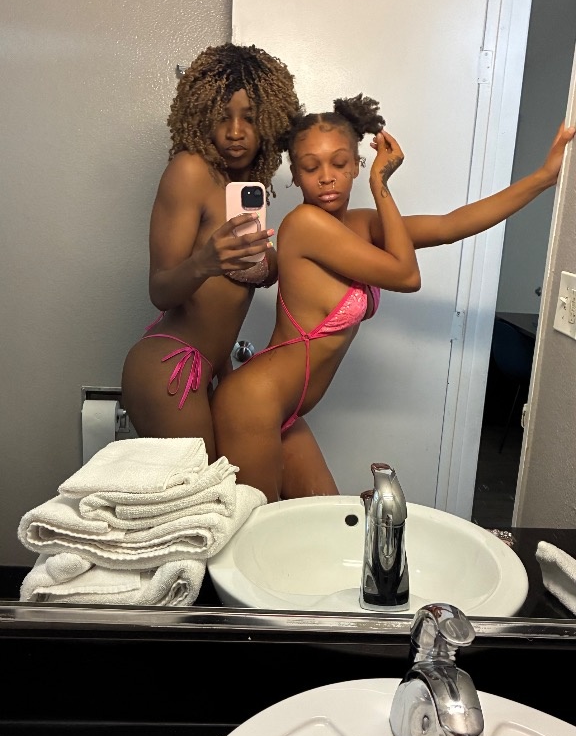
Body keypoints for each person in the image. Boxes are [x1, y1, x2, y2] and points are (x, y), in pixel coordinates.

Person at [211, 95, 575, 502]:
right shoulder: (304, 224)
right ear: (295, 175)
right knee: (261, 532)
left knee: (328, 525)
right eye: (311, 167)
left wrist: (543, 178)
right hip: (253, 404)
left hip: (283, 410)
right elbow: (406, 275)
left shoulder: (361, 225)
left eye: (339, 163)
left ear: (356, 164)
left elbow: (449, 226)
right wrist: (380, 185)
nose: (327, 177)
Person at [120, 42, 301, 461]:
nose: (235, 131)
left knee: (227, 494)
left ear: (270, 121)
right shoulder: (190, 171)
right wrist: (205, 263)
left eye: (249, 118)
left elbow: (230, 297)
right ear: (202, 116)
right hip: (170, 367)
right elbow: (161, 291)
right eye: (222, 116)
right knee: (203, 497)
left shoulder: (245, 191)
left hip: (210, 369)